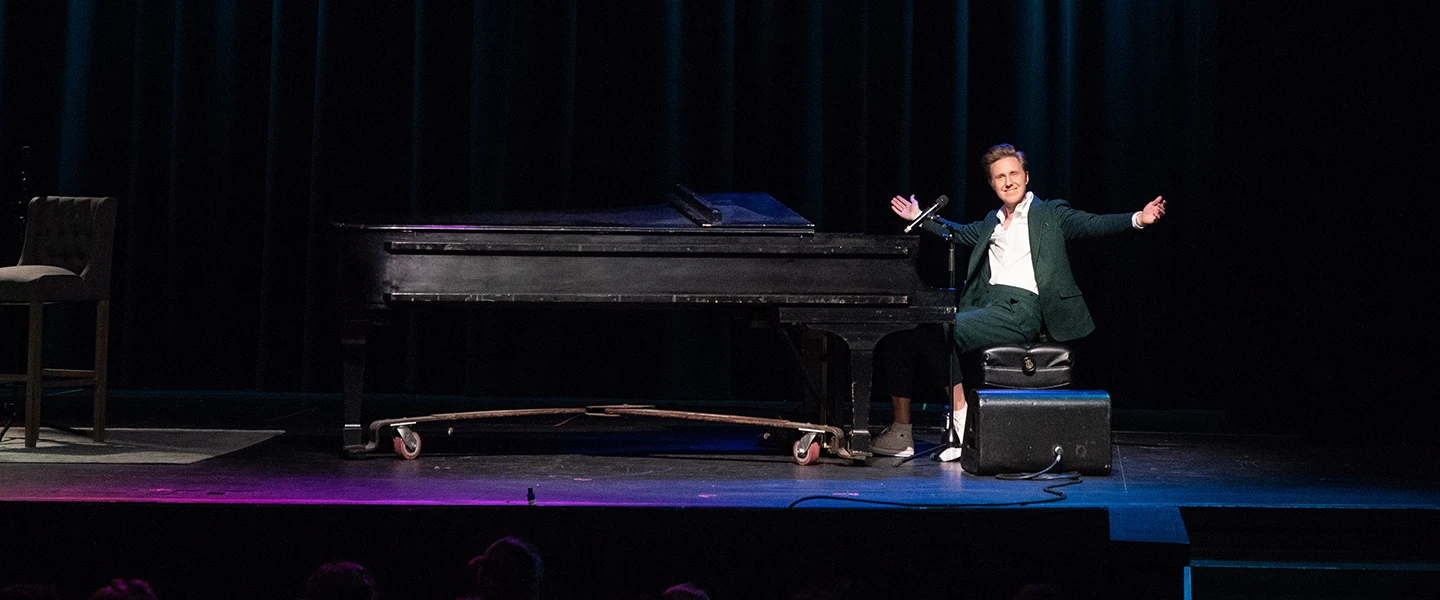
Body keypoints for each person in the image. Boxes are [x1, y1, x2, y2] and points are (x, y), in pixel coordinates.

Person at [872, 143, 1166, 460]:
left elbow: (1090, 223)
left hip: (1020, 310)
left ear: (1026, 177)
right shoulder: (991, 221)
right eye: (1000, 177)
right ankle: (901, 432)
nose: (1008, 181)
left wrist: (1138, 218)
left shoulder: (1049, 213)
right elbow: (956, 234)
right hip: (985, 308)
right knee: (902, 334)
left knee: (939, 327)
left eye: (1014, 174)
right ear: (992, 184)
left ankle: (960, 417)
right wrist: (919, 217)